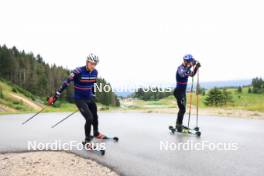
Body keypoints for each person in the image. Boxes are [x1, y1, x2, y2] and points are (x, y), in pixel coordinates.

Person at [47, 53, 105, 143]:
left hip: (89, 98)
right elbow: (66, 83)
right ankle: (87, 140)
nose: (93, 66)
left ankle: (96, 133)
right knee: (89, 118)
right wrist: (56, 95)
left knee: (95, 116)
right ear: (87, 62)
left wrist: (93, 95)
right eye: (91, 63)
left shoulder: (95, 72)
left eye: (95, 64)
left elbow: (93, 84)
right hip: (80, 99)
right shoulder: (77, 71)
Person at [174, 54, 201, 132]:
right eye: (189, 62)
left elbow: (191, 74)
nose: (190, 63)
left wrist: (196, 67)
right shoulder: (180, 68)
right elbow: (182, 74)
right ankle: (178, 125)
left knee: (183, 109)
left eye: (190, 62)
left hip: (182, 92)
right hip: (178, 91)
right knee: (182, 109)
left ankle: (179, 124)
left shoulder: (186, 68)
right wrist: (190, 65)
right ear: (185, 61)